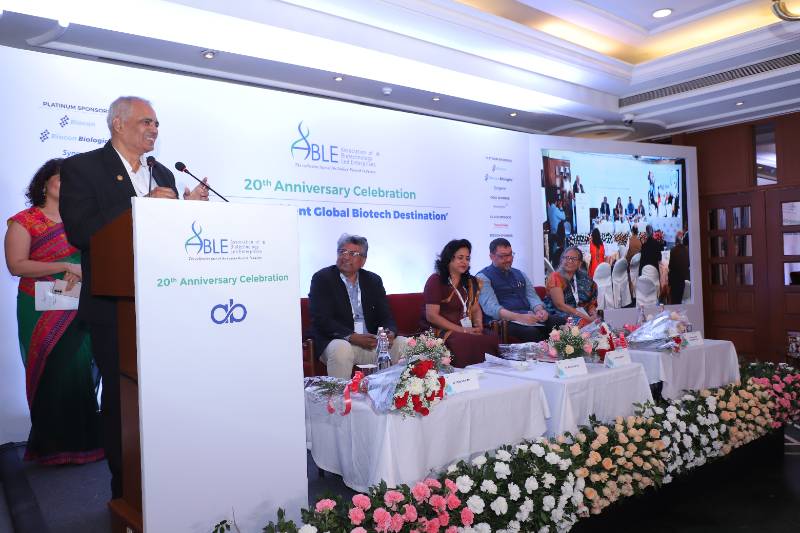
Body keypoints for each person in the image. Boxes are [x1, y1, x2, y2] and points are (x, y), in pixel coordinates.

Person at [59, 96, 210, 499]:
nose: (154, 129)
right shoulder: (82, 168)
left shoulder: (162, 172)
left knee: (167, 395)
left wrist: (189, 211)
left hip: (165, 305)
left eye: (157, 124)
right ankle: (125, 488)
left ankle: (169, 477)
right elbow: (80, 231)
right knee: (123, 397)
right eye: (146, 122)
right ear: (118, 124)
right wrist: (141, 205)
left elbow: (170, 237)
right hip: (114, 307)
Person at [4, 159, 103, 465]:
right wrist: (65, 266)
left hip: (77, 304)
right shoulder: (25, 221)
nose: (67, 184)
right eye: (61, 178)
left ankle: (84, 444)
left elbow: (99, 256)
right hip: (39, 308)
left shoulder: (82, 222)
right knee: (51, 372)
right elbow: (16, 265)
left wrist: (84, 270)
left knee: (79, 371)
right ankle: (50, 448)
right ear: (44, 183)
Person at [308, 234, 407, 379]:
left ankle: (395, 392)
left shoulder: (373, 280)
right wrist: (352, 337)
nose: (345, 257)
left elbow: (386, 315)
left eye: (353, 254)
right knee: (342, 349)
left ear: (363, 260)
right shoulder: (322, 278)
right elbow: (321, 319)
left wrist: (389, 332)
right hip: (337, 341)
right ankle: (340, 394)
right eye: (342, 251)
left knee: (405, 344)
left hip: (370, 342)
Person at [422, 239, 499, 367]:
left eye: (467, 259)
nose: (465, 262)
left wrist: (478, 325)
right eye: (460, 258)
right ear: (449, 258)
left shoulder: (470, 281)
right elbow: (432, 316)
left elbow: (475, 308)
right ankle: (465, 375)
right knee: (463, 340)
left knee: (491, 337)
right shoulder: (436, 280)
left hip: (465, 329)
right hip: (442, 330)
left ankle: (490, 374)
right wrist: (463, 330)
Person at [476, 238, 557, 342]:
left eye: (510, 255)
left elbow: (532, 297)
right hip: (505, 321)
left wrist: (539, 310)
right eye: (503, 256)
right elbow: (492, 308)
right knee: (532, 332)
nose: (508, 259)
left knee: (559, 322)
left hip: (529, 316)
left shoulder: (520, 274)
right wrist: (520, 317)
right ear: (491, 257)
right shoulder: (483, 277)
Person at [543, 246, 598, 326]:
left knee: (602, 325)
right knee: (581, 323)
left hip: (582, 314)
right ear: (561, 260)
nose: (569, 261)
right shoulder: (555, 277)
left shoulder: (585, 279)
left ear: (579, 263)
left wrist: (593, 313)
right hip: (559, 315)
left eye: (574, 259)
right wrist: (586, 318)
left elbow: (591, 302)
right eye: (566, 257)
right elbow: (560, 306)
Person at [668, 231, 690, 304]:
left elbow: (670, 266)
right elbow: (688, 264)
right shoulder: (686, 250)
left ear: (675, 240)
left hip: (675, 280)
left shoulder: (673, 250)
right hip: (684, 279)